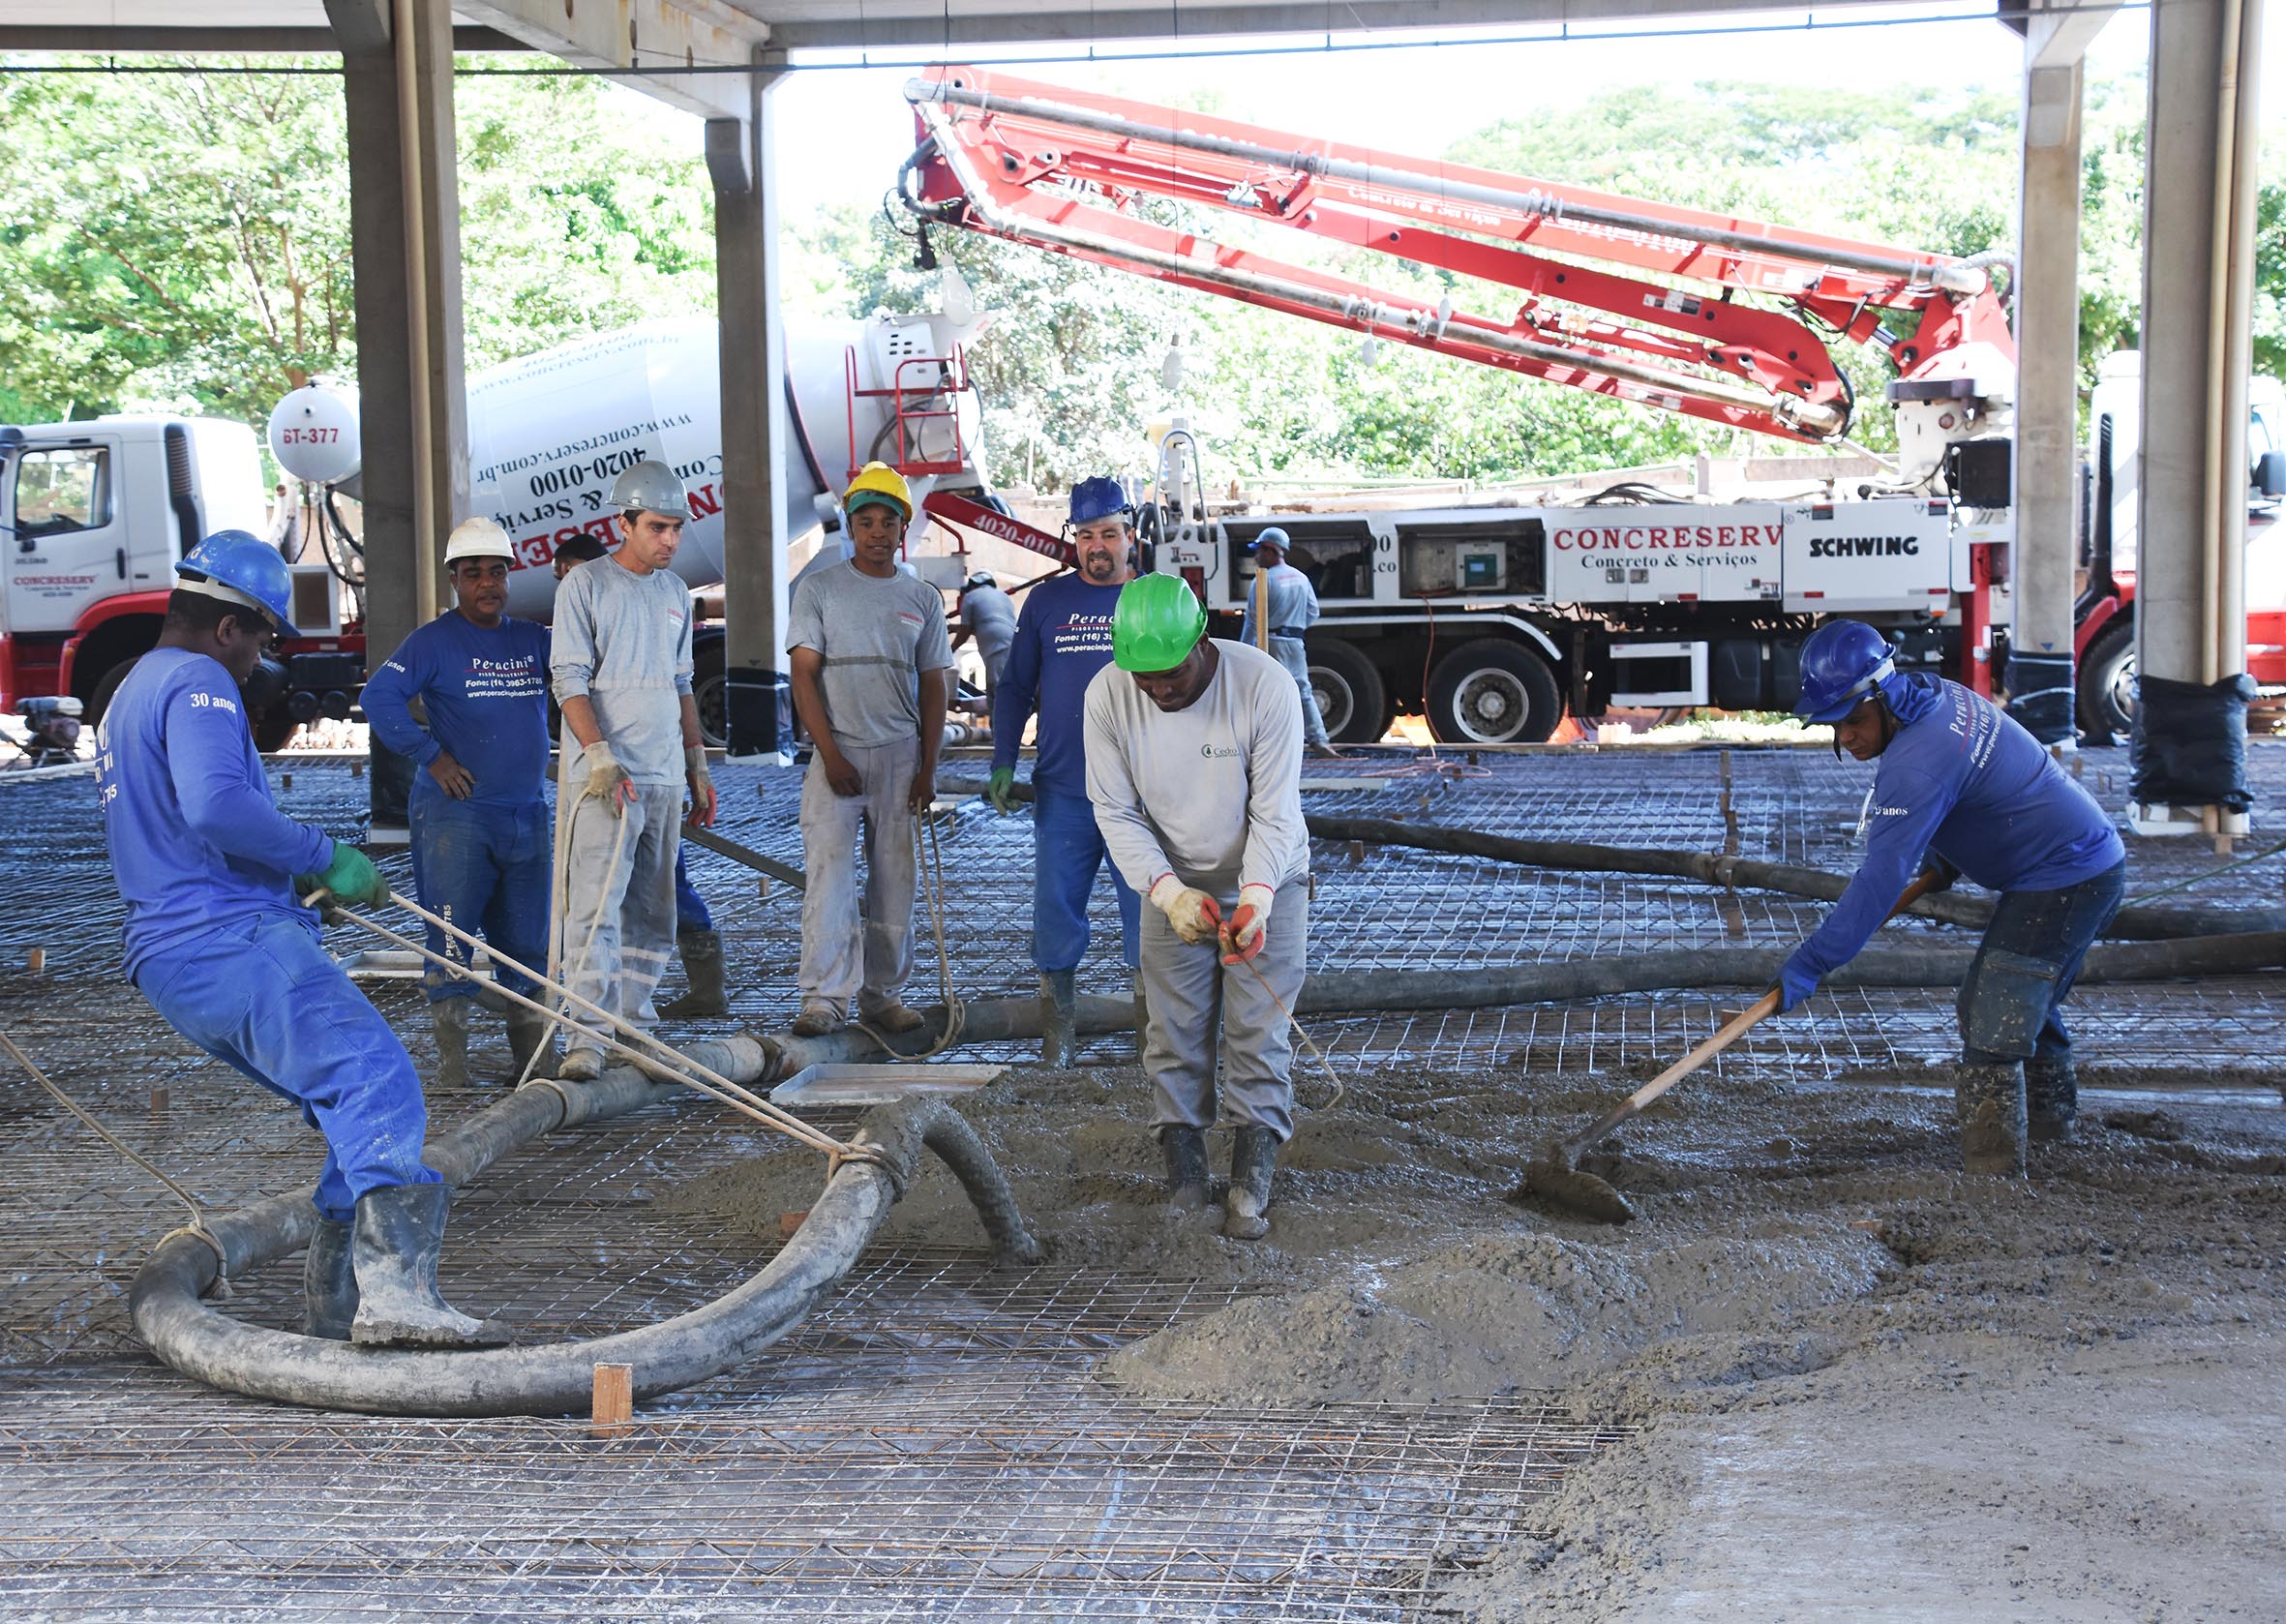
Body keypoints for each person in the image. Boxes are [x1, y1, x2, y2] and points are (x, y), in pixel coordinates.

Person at [95, 531, 501, 1347]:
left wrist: (286, 881)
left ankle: (338, 1311)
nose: (260, 662)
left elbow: (179, 829)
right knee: (377, 1083)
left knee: (348, 1103)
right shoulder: (201, 681)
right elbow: (215, 807)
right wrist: (324, 855)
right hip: (228, 939)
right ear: (227, 629)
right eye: (264, 640)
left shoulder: (129, 689)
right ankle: (395, 1302)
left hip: (175, 956)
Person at [1775, 619, 2127, 1176]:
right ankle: (2054, 1133)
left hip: (2068, 878)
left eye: (1854, 721)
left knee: (1992, 1011)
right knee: (2021, 999)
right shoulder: (1939, 697)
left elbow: (1880, 878)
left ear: (1884, 697)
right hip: (2080, 859)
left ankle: (1994, 1174)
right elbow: (1982, 780)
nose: (1846, 737)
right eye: (1834, 726)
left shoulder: (1913, 766)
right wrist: (1947, 858)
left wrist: (1815, 959)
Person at [1084, 573, 1308, 1241]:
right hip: (1173, 880)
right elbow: (1115, 812)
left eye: (1171, 675)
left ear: (1202, 640)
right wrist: (1169, 892)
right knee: (1173, 1028)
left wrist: (1259, 900)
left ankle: (1250, 1176)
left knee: (1257, 1030)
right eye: (1144, 679)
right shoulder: (1108, 695)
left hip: (1270, 878)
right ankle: (1186, 1177)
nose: (1158, 690)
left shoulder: (1263, 685)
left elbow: (1274, 812)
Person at [362, 517, 555, 1087]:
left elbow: (579, 677)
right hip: (458, 818)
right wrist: (431, 755)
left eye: (497, 572)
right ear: (454, 579)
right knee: (451, 940)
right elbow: (380, 696)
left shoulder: (531, 640)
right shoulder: (433, 642)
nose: (488, 584)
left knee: (525, 947)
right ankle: (454, 1073)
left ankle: (533, 1068)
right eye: (474, 574)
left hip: (526, 815)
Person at [549, 462, 718, 1081]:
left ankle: (634, 1025)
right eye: (656, 527)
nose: (670, 540)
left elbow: (681, 683)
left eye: (676, 528)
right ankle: (586, 1038)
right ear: (623, 522)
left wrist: (696, 762)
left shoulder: (676, 594)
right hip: (604, 778)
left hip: (662, 774)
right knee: (594, 907)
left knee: (652, 911)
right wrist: (599, 755)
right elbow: (567, 679)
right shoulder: (585, 587)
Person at [787, 462, 952, 1038]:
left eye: (889, 521)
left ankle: (883, 996)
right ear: (850, 528)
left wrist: (927, 769)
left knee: (894, 880)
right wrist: (830, 755)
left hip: (900, 757)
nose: (878, 532)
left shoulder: (921, 598)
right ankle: (825, 999)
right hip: (838, 754)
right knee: (828, 879)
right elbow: (803, 676)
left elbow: (934, 686)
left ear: (903, 529)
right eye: (866, 521)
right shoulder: (820, 590)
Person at [985, 476, 1144, 1063]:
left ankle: (1155, 1041)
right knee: (1055, 912)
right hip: (1064, 789)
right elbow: (1016, 687)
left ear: (1130, 535)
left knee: (1150, 915)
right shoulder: (1047, 602)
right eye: (1085, 535)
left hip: (1141, 793)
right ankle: (1059, 1042)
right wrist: (1004, 760)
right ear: (1072, 540)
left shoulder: (1157, 598)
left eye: (1108, 533)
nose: (1097, 545)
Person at [1238, 526, 1339, 758]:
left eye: (1259, 551)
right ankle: (1319, 740)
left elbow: (1253, 621)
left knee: (1266, 693)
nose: (1255, 558)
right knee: (1303, 690)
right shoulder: (1301, 578)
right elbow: (1313, 612)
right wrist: (1295, 627)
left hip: (1271, 642)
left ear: (1271, 550)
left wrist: (1243, 651)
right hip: (1295, 642)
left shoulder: (1263, 581)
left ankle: (1271, 744)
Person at [954, 569, 1018, 707]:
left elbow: (965, 631)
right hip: (1015, 642)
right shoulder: (1003, 596)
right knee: (1012, 686)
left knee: (998, 691)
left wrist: (949, 650)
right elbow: (989, 624)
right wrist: (954, 628)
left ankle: (999, 726)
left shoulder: (970, 596)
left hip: (996, 648)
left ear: (972, 585)